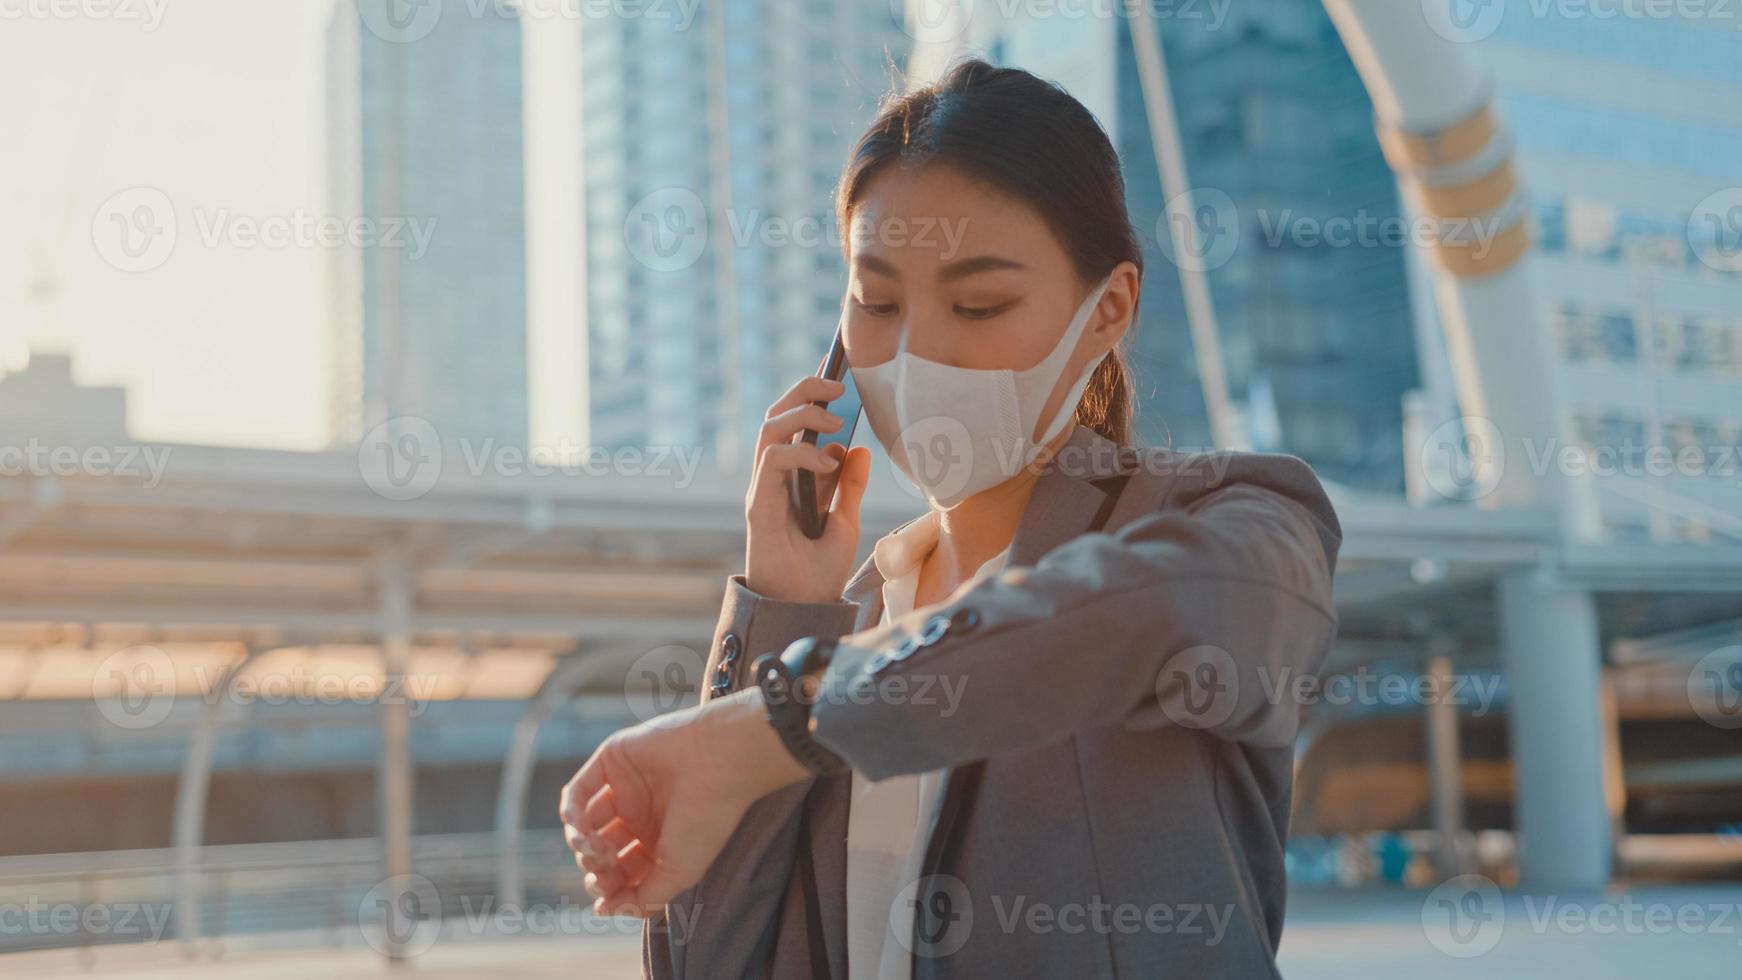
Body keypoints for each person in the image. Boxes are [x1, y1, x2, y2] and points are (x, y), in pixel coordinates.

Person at [560, 59, 1343, 979]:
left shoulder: (1232, 514)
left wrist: (777, 724)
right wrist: (781, 608)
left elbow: (1175, 611)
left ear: (1110, 311)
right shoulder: (840, 627)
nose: (918, 350)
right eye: (877, 303)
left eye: (979, 303)